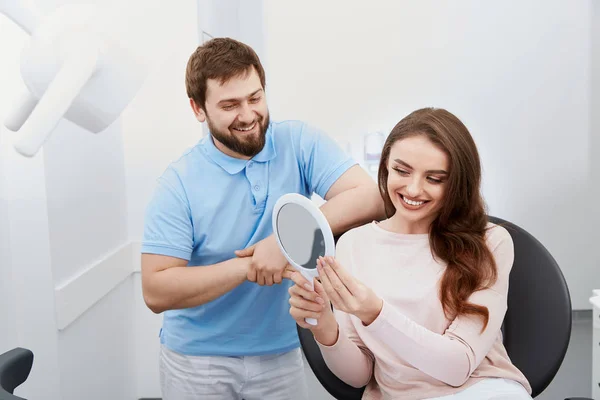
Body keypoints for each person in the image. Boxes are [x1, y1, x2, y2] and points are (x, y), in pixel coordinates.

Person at [140, 37, 385, 400]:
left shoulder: (298, 142)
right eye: (229, 105)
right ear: (198, 109)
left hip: (281, 351)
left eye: (255, 98)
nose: (248, 114)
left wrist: (284, 240)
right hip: (197, 361)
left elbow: (371, 197)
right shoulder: (178, 183)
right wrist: (248, 266)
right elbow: (156, 290)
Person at [288, 108, 533, 400]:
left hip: (483, 390)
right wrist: (325, 327)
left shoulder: (490, 242)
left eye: (435, 178)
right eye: (401, 171)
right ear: (386, 167)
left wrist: (375, 313)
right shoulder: (353, 245)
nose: (413, 189)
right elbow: (360, 375)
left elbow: (457, 367)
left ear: (457, 182)